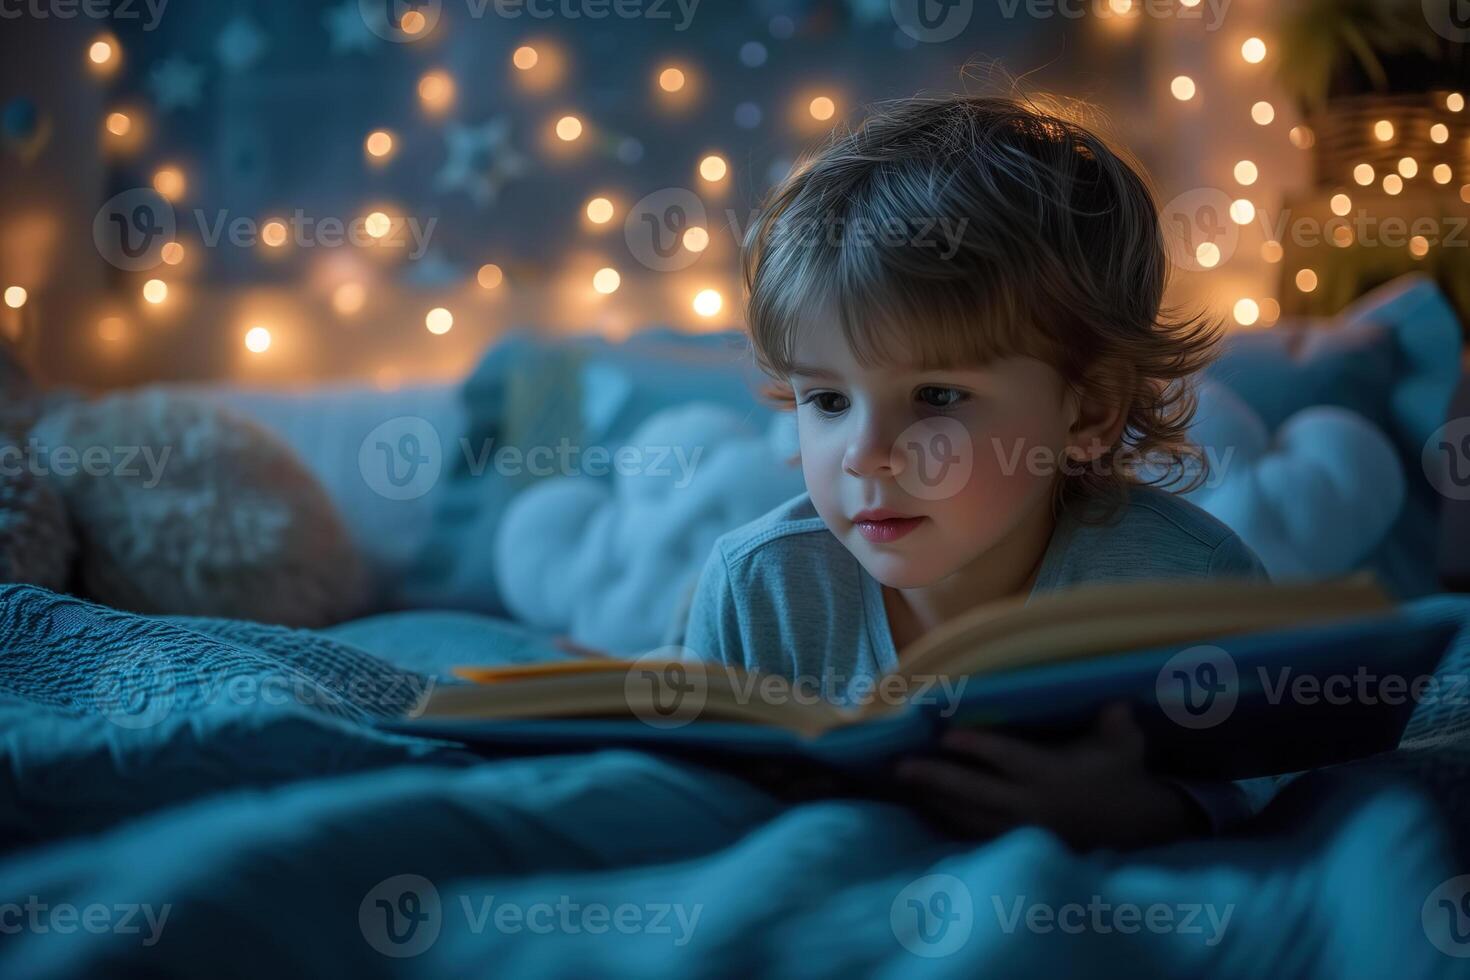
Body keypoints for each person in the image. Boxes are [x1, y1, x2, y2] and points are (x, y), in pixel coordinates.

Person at [682, 94, 1276, 848]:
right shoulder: (755, 586)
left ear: (1089, 410)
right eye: (827, 399)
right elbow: (696, 799)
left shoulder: (1192, 587)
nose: (865, 454)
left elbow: (1266, 789)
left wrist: (1137, 811)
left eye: (936, 396)